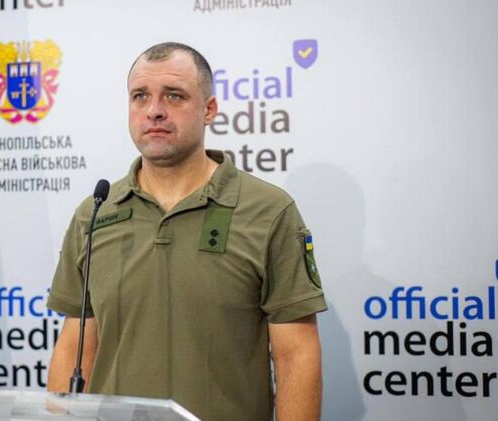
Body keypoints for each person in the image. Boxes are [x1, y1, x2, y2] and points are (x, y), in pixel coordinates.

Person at [46, 42, 326, 421]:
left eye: (173, 96)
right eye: (140, 96)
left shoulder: (268, 211)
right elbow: (75, 347)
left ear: (209, 109)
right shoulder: (94, 213)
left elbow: (296, 356)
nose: (154, 110)